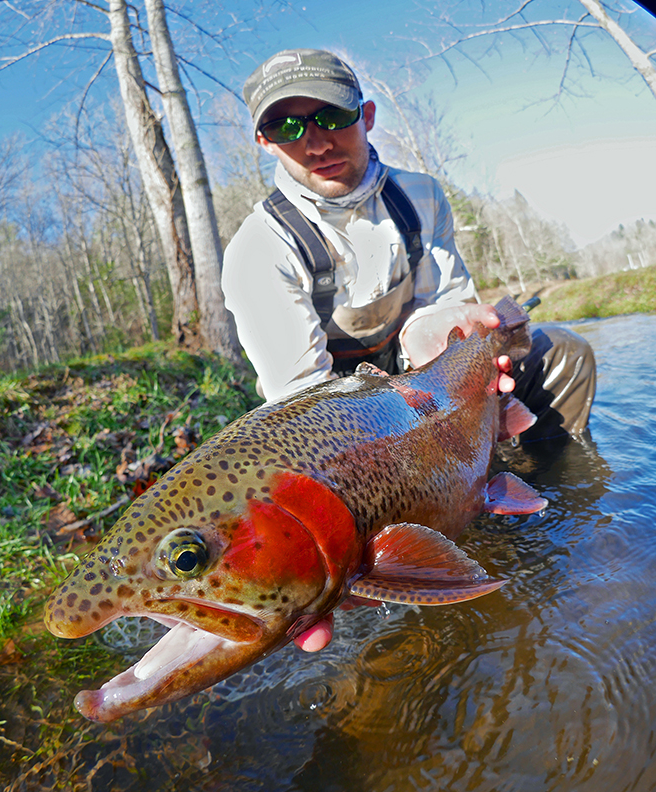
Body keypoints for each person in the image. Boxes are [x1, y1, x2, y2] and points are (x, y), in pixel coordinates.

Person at [221, 48, 596, 651]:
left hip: (426, 367)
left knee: (565, 354)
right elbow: (301, 402)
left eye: (330, 115)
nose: (313, 140)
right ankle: (439, 535)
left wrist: (465, 338)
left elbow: (446, 306)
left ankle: (552, 494)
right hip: (338, 409)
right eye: (286, 126)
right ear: (265, 142)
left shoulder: (420, 196)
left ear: (366, 115)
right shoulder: (256, 252)